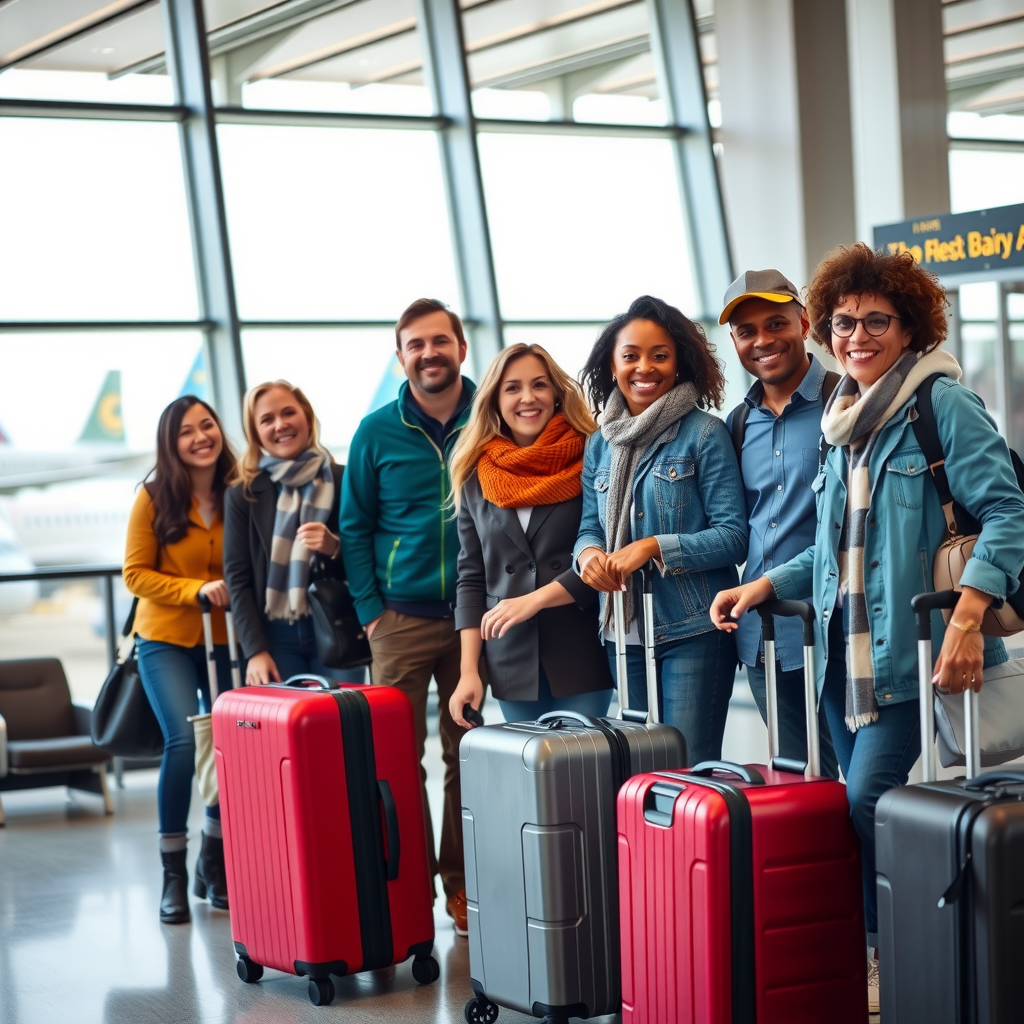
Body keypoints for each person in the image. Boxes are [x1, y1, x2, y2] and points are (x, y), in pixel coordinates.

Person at [710, 243, 1024, 1011]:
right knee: (847, 805)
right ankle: (888, 940)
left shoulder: (940, 403)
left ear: (911, 326)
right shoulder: (843, 418)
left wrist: (970, 615)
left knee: (867, 801)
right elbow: (833, 550)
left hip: (913, 655)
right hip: (840, 663)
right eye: (844, 322)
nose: (857, 335)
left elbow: (1008, 513)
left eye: (877, 321)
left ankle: (899, 945)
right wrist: (762, 584)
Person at [340, 298, 476, 937]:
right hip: (399, 619)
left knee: (464, 755)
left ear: (460, 348)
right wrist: (371, 613)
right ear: (402, 356)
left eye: (439, 341)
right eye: (416, 344)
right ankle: (405, 888)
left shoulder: (491, 414)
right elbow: (355, 525)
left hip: (475, 621)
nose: (429, 353)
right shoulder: (376, 430)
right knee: (394, 757)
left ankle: (460, 887)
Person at [573, 294, 748, 763]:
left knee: (686, 771)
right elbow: (589, 527)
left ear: (679, 363)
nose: (644, 367)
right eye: (631, 355)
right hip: (621, 631)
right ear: (612, 364)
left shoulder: (704, 434)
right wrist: (589, 556)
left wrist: (652, 546)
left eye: (659, 355)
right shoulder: (601, 443)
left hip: (693, 631)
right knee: (637, 774)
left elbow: (733, 536)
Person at [448, 344, 615, 728]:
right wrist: (468, 671)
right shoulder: (476, 473)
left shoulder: (592, 455)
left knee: (583, 774)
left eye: (539, 385)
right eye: (512, 388)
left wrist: (533, 602)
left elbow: (604, 554)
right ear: (494, 399)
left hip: (580, 649)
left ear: (556, 393)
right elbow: (471, 577)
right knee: (530, 780)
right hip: (510, 656)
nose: (528, 397)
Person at [721, 268, 839, 779]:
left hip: (835, 632)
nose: (763, 340)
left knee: (857, 790)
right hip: (762, 638)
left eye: (776, 323)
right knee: (796, 782)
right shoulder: (738, 422)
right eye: (747, 331)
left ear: (805, 321)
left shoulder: (847, 402)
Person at [123, 395, 237, 924]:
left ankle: (213, 864)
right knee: (183, 740)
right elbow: (135, 574)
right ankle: (172, 870)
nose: (200, 437)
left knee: (228, 744)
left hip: (225, 642)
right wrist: (196, 589)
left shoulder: (240, 492)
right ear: (171, 444)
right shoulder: (153, 497)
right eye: (186, 431)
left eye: (207, 425)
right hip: (165, 637)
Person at [223, 380, 359, 687]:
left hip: (337, 622)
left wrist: (334, 546)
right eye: (267, 419)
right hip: (275, 636)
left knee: (341, 725)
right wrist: (255, 650)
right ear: (255, 432)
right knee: (289, 731)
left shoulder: (344, 479)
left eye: (288, 413)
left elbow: (367, 554)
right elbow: (237, 577)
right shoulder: (243, 493)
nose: (280, 425)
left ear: (307, 417)